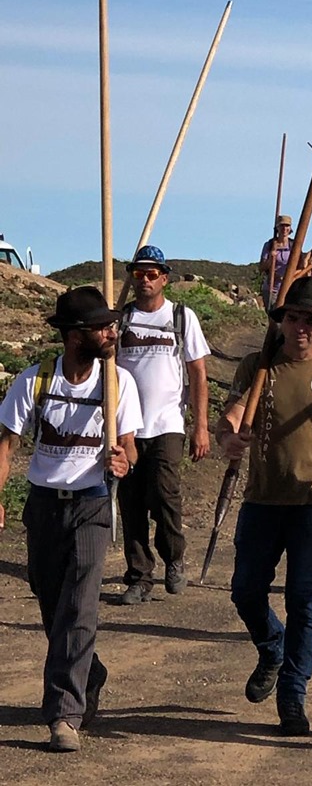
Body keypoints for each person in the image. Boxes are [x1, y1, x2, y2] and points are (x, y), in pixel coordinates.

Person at [216, 277, 312, 736]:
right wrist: (228, 437)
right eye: (293, 317)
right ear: (282, 320)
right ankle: (272, 646)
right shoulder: (258, 365)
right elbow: (231, 415)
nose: (301, 327)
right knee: (245, 591)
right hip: (261, 499)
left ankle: (293, 693)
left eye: (311, 320)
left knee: (303, 599)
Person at [0, 287, 142, 752]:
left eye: (111, 325)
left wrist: (123, 461)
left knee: (79, 607)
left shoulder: (118, 382)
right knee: (51, 604)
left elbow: (130, 446)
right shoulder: (36, 381)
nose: (111, 333)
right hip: (43, 506)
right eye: (102, 327)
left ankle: (64, 715)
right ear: (75, 335)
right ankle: (88, 670)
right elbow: (6, 446)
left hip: (92, 504)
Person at [115, 245, 211, 604]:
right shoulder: (121, 320)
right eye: (138, 273)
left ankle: (174, 557)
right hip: (127, 426)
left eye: (152, 274)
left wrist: (201, 426)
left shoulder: (181, 317)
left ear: (165, 279)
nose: (144, 280)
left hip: (168, 422)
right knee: (131, 502)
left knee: (164, 494)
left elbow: (198, 373)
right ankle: (139, 577)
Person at [259, 216, 294, 311]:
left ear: (290, 228)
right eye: (282, 225)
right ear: (277, 227)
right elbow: (262, 268)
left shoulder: (294, 245)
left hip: (289, 288)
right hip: (272, 288)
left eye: (287, 225)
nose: (284, 228)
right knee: (273, 315)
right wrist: (271, 258)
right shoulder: (269, 245)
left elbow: (301, 265)